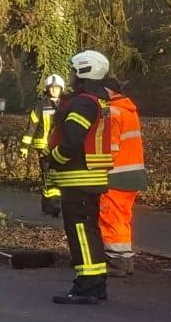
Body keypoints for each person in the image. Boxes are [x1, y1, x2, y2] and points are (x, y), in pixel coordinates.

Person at [45, 50, 115, 304]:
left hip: (78, 177)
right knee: (89, 231)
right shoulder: (97, 100)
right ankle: (96, 283)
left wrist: (55, 159)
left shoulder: (83, 102)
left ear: (83, 71)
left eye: (74, 70)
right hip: (88, 177)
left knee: (81, 232)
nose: (71, 76)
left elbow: (73, 141)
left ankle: (87, 285)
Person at [102, 78, 148, 275]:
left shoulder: (111, 112)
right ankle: (125, 259)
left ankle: (117, 260)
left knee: (111, 217)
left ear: (107, 91)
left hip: (115, 175)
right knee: (122, 218)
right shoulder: (129, 110)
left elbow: (109, 149)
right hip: (132, 174)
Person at [21, 74, 66, 219]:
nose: (54, 90)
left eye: (57, 88)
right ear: (47, 89)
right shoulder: (40, 105)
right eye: (52, 88)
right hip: (43, 146)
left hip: (61, 147)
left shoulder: (66, 104)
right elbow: (31, 127)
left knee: (58, 175)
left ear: (61, 89)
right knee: (47, 175)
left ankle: (51, 203)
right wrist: (24, 147)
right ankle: (52, 204)